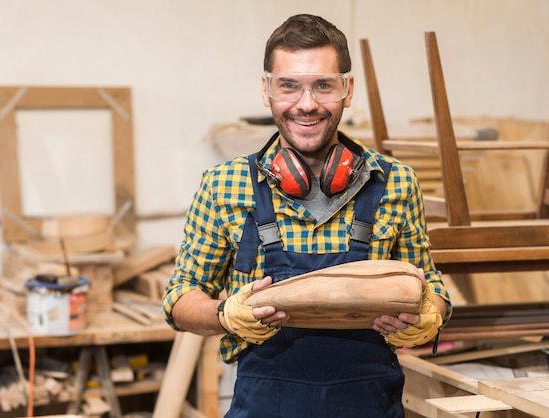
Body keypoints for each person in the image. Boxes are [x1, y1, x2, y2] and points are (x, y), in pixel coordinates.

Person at [162, 13, 451, 417]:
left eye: (324, 85)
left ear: (347, 89)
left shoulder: (395, 182)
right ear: (266, 90)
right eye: (289, 86)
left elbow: (431, 282)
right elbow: (180, 296)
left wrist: (430, 315)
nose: (307, 104)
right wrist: (225, 315)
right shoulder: (223, 184)